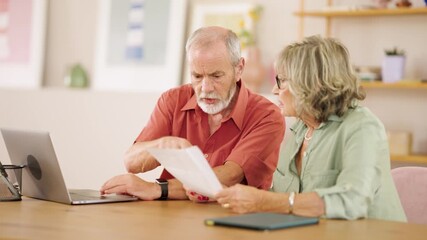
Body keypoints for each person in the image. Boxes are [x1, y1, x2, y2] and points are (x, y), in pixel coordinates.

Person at [215, 35, 407, 222]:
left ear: (308, 84)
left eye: (281, 80)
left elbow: (351, 201)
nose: (275, 90)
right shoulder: (299, 130)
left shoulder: (363, 128)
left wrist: (266, 202)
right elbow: (282, 199)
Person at [100, 26, 285, 201]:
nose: (205, 88)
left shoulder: (267, 116)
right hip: (171, 218)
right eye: (197, 76)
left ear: (239, 69)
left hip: (232, 223)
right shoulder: (173, 100)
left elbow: (229, 177)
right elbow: (131, 162)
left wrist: (157, 189)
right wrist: (161, 145)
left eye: (216, 76)